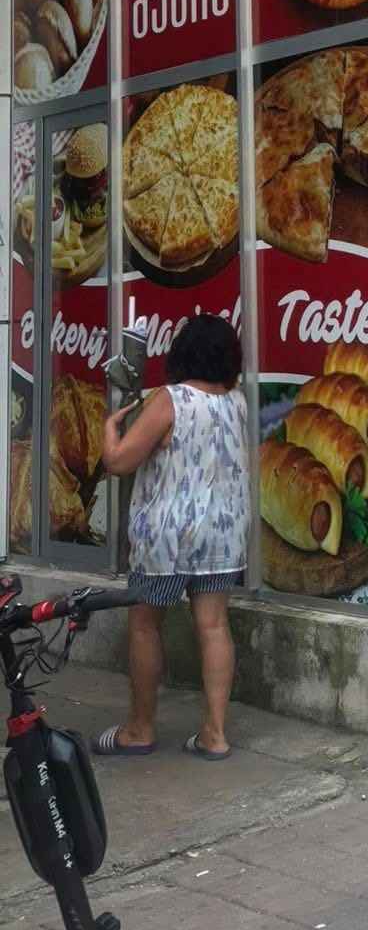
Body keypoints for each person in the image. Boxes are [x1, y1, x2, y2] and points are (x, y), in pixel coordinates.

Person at [95, 314, 250, 761]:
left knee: (145, 624)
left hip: (167, 538)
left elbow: (120, 462)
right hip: (222, 535)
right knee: (214, 626)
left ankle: (139, 729)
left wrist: (110, 431)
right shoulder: (237, 402)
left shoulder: (170, 400)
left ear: (183, 353)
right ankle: (214, 735)